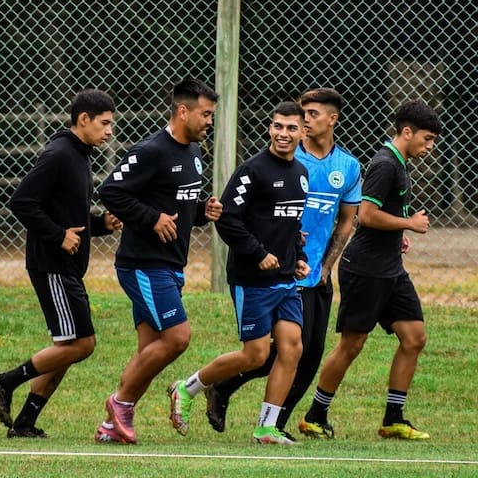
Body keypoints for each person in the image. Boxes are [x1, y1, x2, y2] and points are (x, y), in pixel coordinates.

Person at [205, 88, 361, 439]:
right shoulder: (284, 162)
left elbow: (347, 220)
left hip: (314, 272)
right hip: (278, 272)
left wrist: (324, 266)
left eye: (311, 115)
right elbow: (240, 217)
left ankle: (271, 423)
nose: (302, 122)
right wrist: (268, 253)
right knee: (272, 352)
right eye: (295, 117)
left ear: (331, 119)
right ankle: (230, 393)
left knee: (307, 353)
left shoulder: (347, 166)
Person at [168, 100, 310, 445]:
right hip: (252, 279)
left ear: (303, 132)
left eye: (292, 128)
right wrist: (258, 254)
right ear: (270, 128)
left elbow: (291, 223)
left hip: (286, 280)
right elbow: (227, 218)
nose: (283, 134)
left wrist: (299, 256)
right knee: (256, 354)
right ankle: (187, 389)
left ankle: (266, 428)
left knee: (292, 349)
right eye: (278, 126)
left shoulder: (301, 174)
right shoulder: (252, 170)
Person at [299, 99, 441, 441]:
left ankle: (394, 417)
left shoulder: (401, 163)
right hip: (365, 269)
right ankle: (315, 414)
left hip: (391, 268)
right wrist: (409, 223)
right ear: (406, 132)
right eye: (427, 138)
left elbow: (382, 217)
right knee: (353, 343)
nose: (430, 146)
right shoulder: (384, 164)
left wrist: (399, 233)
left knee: (414, 337)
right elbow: (366, 214)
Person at [0, 89, 120, 439]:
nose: (109, 131)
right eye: (104, 123)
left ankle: (25, 423)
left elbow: (67, 213)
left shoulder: (80, 155)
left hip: (67, 265)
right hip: (52, 265)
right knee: (82, 345)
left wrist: (100, 224)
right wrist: (58, 236)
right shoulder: (59, 154)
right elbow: (23, 202)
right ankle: (6, 381)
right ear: (83, 120)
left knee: (66, 348)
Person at [92, 77, 222, 445]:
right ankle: (118, 404)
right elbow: (110, 191)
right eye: (205, 114)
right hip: (143, 264)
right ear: (183, 111)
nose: (209, 122)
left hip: (169, 264)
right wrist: (151, 218)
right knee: (178, 337)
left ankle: (111, 426)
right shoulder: (151, 150)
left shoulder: (194, 153)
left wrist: (201, 211)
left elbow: (177, 207)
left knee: (149, 351)